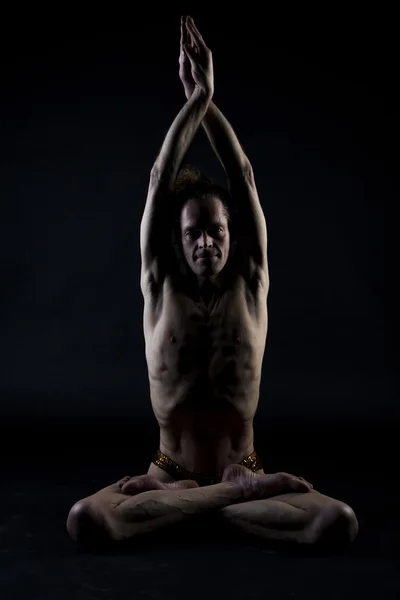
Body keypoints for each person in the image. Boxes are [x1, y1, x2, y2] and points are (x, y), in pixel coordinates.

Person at [66, 16, 358, 551]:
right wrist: (193, 100)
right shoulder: (160, 288)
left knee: (337, 521)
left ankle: (189, 505)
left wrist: (207, 98)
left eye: (216, 231)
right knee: (85, 519)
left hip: (236, 466)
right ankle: (226, 499)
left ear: (231, 235)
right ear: (177, 244)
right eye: (194, 233)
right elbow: (159, 177)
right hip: (165, 470)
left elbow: (242, 174)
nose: (206, 243)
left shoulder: (251, 282)